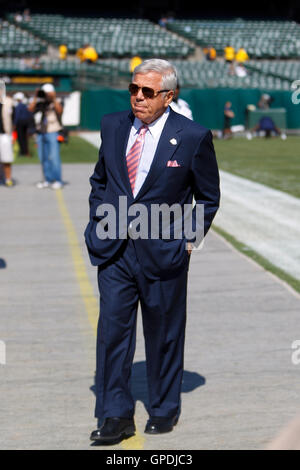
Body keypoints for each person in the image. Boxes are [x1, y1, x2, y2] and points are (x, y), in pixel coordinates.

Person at [84, 58, 220, 443]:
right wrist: (99, 219)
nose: (138, 97)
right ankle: (115, 415)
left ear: (169, 96)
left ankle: (163, 408)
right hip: (114, 251)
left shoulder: (193, 136)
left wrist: (188, 242)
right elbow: (100, 179)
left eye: (147, 92)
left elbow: (208, 198)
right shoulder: (112, 125)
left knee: (163, 334)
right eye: (134, 89)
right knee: (112, 334)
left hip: (164, 253)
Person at [28, 83, 64, 189]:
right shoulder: (39, 102)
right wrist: (36, 96)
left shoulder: (55, 101)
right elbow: (30, 109)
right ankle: (47, 179)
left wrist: (53, 98)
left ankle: (58, 180)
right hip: (40, 132)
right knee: (43, 157)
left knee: (54, 157)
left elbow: (59, 110)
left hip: (52, 131)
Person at [13, 92, 34, 157]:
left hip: (20, 123)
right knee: (25, 138)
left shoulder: (18, 106)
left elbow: (17, 116)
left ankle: (23, 152)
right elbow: (30, 114)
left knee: (21, 138)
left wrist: (14, 124)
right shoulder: (26, 105)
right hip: (26, 123)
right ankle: (25, 151)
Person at [0, 90, 14, 187]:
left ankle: (8, 179)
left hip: (5, 133)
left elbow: (14, 117)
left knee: (6, 158)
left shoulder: (9, 101)